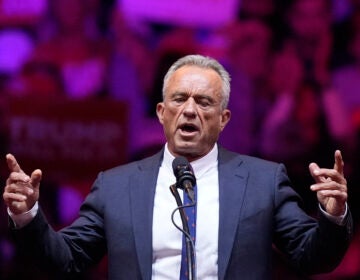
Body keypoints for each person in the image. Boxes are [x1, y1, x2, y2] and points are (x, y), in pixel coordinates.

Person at [3, 54, 352, 279]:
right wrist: (28, 215)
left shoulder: (263, 181)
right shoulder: (115, 186)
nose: (189, 110)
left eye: (203, 102)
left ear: (223, 119)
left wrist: (333, 215)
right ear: (161, 112)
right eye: (179, 99)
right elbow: (66, 260)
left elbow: (312, 258)